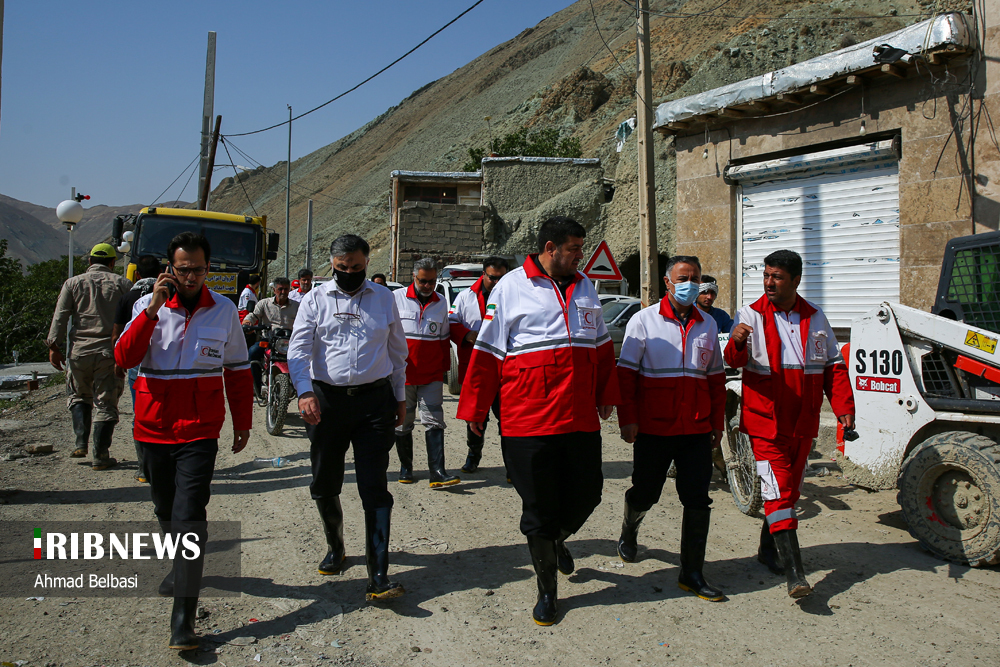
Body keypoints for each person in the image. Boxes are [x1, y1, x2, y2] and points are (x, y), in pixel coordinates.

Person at [458, 217, 620, 626]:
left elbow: (601, 346)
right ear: (550, 248)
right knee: (539, 508)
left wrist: (606, 394)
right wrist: (476, 409)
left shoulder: (585, 286)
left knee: (589, 494)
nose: (581, 257)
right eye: (575, 249)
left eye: (583, 249)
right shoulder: (512, 286)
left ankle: (556, 540)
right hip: (528, 420)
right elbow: (487, 353)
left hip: (580, 417)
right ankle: (547, 590)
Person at [114, 232, 253, 650]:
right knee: (164, 507)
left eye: (198, 269)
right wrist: (153, 309)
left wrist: (242, 422)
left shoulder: (225, 310)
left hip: (199, 428)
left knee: (190, 513)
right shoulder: (146, 306)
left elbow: (238, 369)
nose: (190, 276)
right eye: (182, 269)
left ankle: (183, 620)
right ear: (170, 270)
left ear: (208, 269)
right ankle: (179, 564)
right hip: (153, 426)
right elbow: (124, 358)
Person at [724, 249, 854, 598]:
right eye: (766, 275)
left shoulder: (815, 316)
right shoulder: (750, 314)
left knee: (788, 493)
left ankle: (768, 551)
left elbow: (833, 367)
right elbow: (733, 361)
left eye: (776, 277)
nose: (768, 282)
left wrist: (844, 408)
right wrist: (736, 341)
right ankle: (795, 575)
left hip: (803, 424)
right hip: (766, 424)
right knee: (778, 493)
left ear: (795, 280)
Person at [288, 234, 407, 601]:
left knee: (374, 487)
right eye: (342, 269)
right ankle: (336, 546)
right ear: (332, 265)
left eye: (356, 267)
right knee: (325, 482)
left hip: (374, 403)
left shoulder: (384, 298)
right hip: (327, 404)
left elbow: (397, 351)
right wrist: (305, 392)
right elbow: (298, 351)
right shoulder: (315, 300)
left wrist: (400, 397)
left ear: (367, 263)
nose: (349, 273)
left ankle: (379, 573)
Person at [616, 255, 727, 602]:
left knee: (697, 499)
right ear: (667, 282)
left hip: (695, 428)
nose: (690, 284)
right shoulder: (643, 321)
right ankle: (630, 528)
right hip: (653, 428)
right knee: (645, 492)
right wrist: (628, 419)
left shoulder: (707, 324)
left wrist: (716, 424)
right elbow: (626, 375)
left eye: (695, 278)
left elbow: (715, 379)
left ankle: (692, 572)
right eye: (683, 277)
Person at [46, 243, 132, 470]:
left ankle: (80, 443)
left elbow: (60, 316)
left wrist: (54, 346)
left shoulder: (72, 283)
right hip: (109, 354)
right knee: (106, 404)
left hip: (79, 352)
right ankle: (100, 455)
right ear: (113, 263)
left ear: (90, 262)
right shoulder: (123, 284)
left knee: (78, 395)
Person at [393, 258, 458, 487]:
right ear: (413, 277)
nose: (427, 286)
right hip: (403, 375)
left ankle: (438, 472)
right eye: (423, 281)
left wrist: (443, 371)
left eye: (431, 281)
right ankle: (406, 468)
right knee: (403, 422)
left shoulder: (441, 302)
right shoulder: (396, 299)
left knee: (435, 421)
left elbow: (443, 339)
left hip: (430, 376)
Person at [448, 256, 509, 474]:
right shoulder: (465, 296)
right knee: (476, 416)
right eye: (492, 277)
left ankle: (511, 464)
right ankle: (473, 457)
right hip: (475, 367)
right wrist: (466, 335)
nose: (496, 282)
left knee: (507, 418)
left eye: (501, 278)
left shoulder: (512, 297)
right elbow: (452, 322)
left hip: (503, 369)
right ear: (483, 274)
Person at [111, 254, 163, 483]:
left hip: (136, 367)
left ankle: (144, 469)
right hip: (162, 365)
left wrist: (118, 362)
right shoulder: (168, 296)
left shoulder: (128, 298)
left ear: (137, 274)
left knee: (140, 414)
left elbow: (118, 335)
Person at [242, 277, 299, 395]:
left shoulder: (297, 306)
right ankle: (256, 387)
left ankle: (303, 390)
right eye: (280, 289)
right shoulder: (264, 303)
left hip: (290, 341)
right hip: (269, 340)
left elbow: (306, 320)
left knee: (307, 356)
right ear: (274, 290)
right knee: (253, 352)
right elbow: (253, 316)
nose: (283, 292)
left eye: (286, 289)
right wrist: (247, 322)